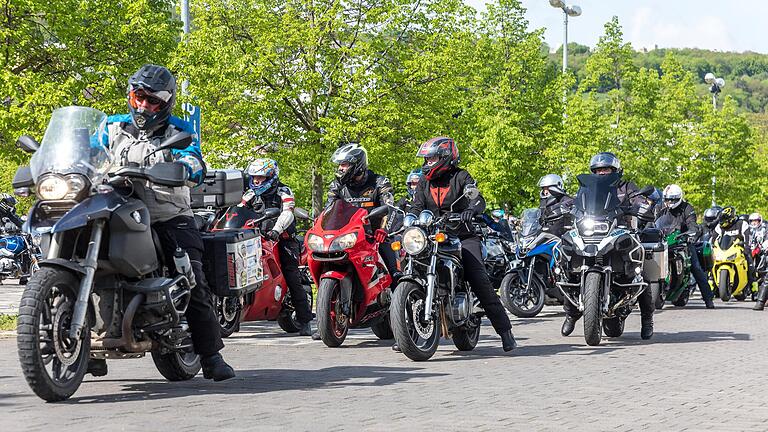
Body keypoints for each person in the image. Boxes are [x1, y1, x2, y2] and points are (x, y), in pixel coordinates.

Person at [97, 64, 234, 381]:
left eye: (153, 101)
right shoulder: (110, 126)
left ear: (166, 102)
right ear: (131, 96)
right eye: (139, 97)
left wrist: (186, 167)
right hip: (116, 208)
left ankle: (211, 355)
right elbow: (86, 153)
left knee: (190, 274)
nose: (144, 105)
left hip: (166, 213)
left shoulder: (179, 130)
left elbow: (196, 161)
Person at [407, 136, 516, 352]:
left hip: (463, 235)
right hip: (431, 238)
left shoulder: (461, 176)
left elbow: (477, 198)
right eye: (426, 158)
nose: (428, 162)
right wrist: (409, 218)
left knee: (478, 278)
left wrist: (470, 210)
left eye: (433, 158)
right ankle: (406, 333)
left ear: (446, 157)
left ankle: (505, 332)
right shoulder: (424, 183)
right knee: (409, 265)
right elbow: (416, 207)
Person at [561, 152, 655, 340]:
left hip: (620, 230)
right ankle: (571, 314)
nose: (602, 172)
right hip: (592, 232)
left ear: (615, 170)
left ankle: (647, 319)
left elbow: (638, 200)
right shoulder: (588, 188)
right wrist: (565, 206)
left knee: (639, 273)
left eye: (606, 169)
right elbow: (576, 202)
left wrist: (641, 206)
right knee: (569, 267)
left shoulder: (626, 187)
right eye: (598, 170)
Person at [318, 143, 401, 339]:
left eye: (344, 165)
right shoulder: (337, 185)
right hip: (348, 237)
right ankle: (326, 323)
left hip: (376, 235)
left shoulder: (379, 182)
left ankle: (403, 323)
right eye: (339, 165)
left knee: (396, 274)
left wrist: (383, 229)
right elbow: (328, 212)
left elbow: (390, 208)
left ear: (357, 164)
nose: (340, 169)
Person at [241, 158, 313, 335]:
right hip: (254, 239)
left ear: (271, 176)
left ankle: (305, 321)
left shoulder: (283, 191)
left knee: (291, 276)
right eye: (254, 177)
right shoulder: (249, 194)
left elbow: (287, 213)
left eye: (261, 177)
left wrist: (276, 230)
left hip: (283, 240)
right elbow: (237, 211)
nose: (257, 181)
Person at [655, 184, 715, 309]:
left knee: (696, 267)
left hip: (682, 241)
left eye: (672, 199)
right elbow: (652, 221)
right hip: (664, 240)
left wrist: (691, 234)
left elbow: (692, 224)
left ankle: (708, 299)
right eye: (667, 199)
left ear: (679, 198)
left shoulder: (687, 208)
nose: (669, 202)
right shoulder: (660, 207)